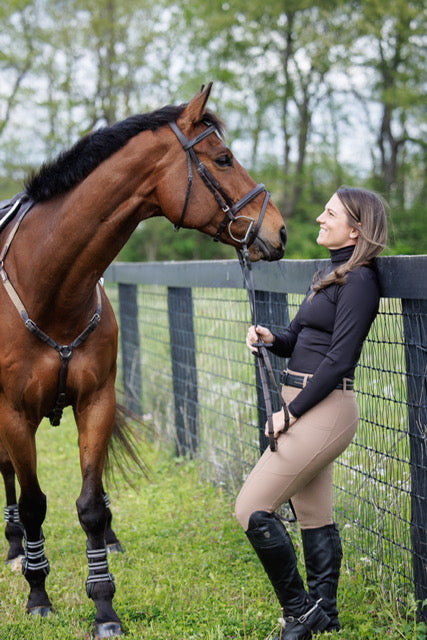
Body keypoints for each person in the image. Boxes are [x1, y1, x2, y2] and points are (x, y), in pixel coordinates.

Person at [235, 186, 388, 640]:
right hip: (301, 402)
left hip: (324, 408)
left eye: (330, 213)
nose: (320, 218)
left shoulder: (360, 279)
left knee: (251, 508)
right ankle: (327, 614)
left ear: (356, 227)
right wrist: (269, 337)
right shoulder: (331, 272)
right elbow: (297, 338)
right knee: (314, 514)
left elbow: (340, 360)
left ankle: (302, 613)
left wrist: (291, 413)